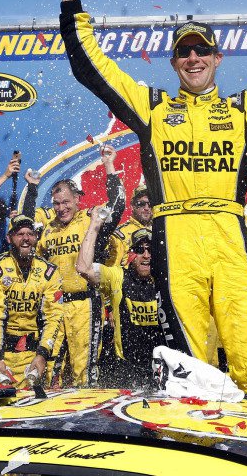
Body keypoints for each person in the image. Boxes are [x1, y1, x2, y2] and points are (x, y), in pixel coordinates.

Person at [56, 0, 247, 396]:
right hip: (177, 235)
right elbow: (92, 69)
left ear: (216, 58)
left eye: (201, 51)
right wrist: (71, 0)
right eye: (184, 52)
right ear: (173, 63)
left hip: (229, 235)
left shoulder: (243, 110)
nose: (193, 58)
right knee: (194, 368)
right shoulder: (152, 108)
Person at [37, 145, 125, 386]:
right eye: (56, 203)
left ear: (77, 199)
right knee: (51, 371)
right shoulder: (48, 230)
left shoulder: (90, 218)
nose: (61, 208)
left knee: (82, 372)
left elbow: (117, 205)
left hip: (85, 304)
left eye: (65, 202)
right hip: (55, 307)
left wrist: (109, 165)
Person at [77, 209, 165, 388]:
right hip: (127, 371)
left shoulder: (165, 279)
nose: (146, 255)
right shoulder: (118, 277)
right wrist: (94, 225)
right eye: (140, 250)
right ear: (131, 255)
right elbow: (83, 268)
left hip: (161, 370)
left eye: (150, 250)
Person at [0, 215, 63, 388]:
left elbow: (54, 317)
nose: (25, 239)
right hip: (2, 356)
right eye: (20, 234)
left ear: (36, 237)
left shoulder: (49, 271)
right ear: (9, 238)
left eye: (30, 234)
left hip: (35, 355)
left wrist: (42, 355)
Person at [109, 186, 154, 268]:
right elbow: (113, 270)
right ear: (132, 205)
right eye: (141, 204)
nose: (146, 208)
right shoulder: (120, 234)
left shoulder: (161, 229)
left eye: (150, 204)